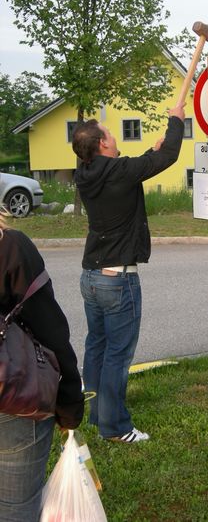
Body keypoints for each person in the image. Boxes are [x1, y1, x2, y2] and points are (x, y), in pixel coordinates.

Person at [72, 103, 185, 443]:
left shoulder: (85, 173)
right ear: (102, 145)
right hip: (117, 279)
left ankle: (95, 414)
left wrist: (145, 155)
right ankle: (116, 427)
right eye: (108, 133)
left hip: (91, 277)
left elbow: (126, 169)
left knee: (97, 346)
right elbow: (169, 157)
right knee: (117, 354)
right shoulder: (120, 171)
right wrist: (176, 118)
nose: (113, 135)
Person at [0, 212, 84, 521]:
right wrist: (70, 400)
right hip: (13, 400)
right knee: (16, 508)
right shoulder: (10, 246)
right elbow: (50, 330)